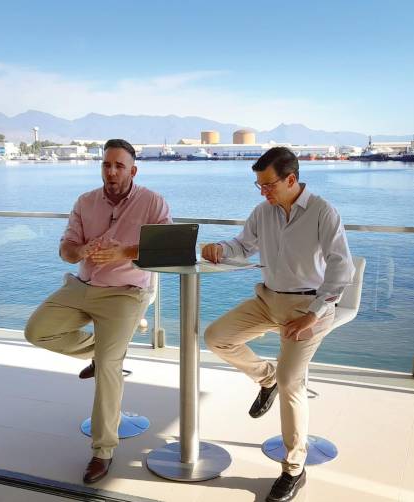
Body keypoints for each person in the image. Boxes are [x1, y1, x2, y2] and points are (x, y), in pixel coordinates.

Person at [202, 147, 354, 502]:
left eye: (268, 185)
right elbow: (243, 245)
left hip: (309, 305)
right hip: (268, 299)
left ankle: (293, 469)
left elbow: (341, 268)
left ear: (291, 179)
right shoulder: (262, 212)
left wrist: (313, 313)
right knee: (216, 337)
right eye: (258, 185)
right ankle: (263, 377)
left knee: (291, 381)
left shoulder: (322, 212)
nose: (263, 192)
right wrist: (219, 249)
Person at [24, 138, 171, 484]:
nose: (112, 171)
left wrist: (125, 252)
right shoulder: (85, 202)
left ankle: (102, 451)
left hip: (126, 292)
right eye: (106, 164)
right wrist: (80, 251)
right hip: (82, 286)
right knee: (36, 331)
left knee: (108, 365)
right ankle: (104, 348)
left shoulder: (153, 202)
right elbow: (66, 248)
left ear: (132, 170)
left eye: (119, 165)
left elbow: (167, 247)